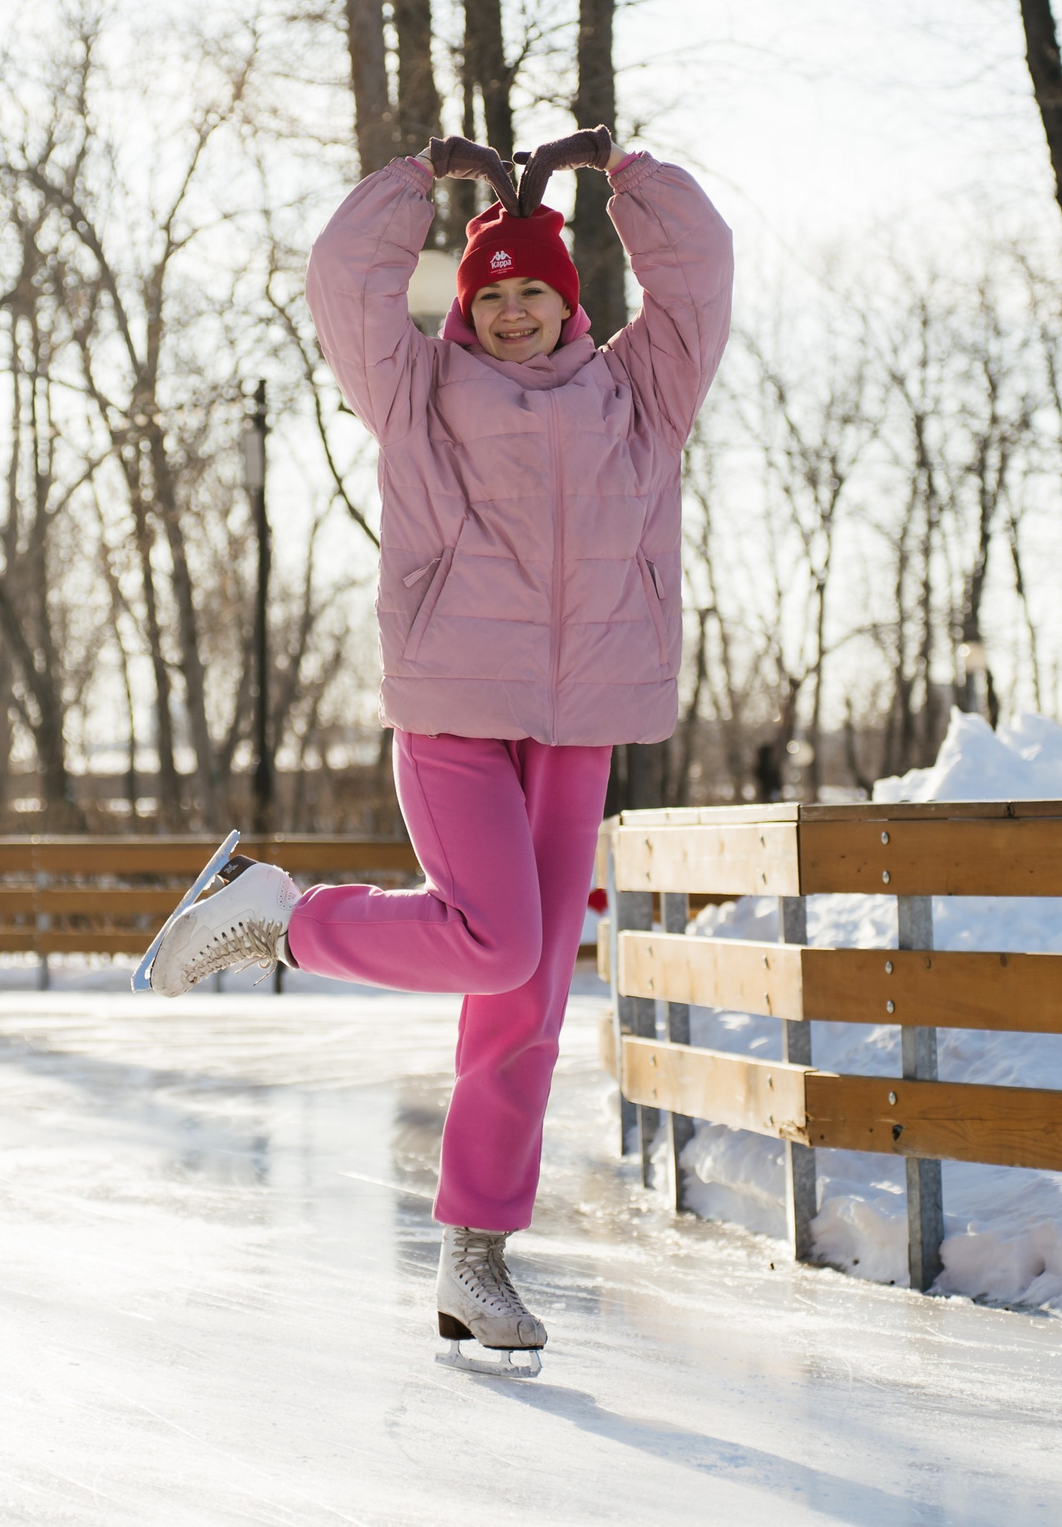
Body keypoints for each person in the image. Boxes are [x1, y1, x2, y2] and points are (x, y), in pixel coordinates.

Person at [143, 127, 732, 1367]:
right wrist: (419, 179)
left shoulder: (642, 392)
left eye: (533, 291)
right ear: (463, 302)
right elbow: (341, 276)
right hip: (456, 709)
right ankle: (279, 917)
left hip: (579, 724)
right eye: (491, 292)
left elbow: (700, 271)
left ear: (568, 300)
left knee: (522, 998)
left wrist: (626, 175)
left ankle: (476, 1258)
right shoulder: (414, 391)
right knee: (499, 940)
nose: (513, 312)